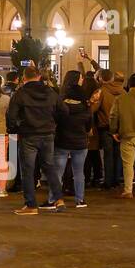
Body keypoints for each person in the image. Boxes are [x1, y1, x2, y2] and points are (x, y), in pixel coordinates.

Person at [6, 64, 64, 214]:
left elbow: (11, 116)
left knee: (28, 171)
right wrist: (54, 122)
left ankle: (31, 205)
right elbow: (64, 110)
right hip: (48, 134)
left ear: (24, 78)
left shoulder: (20, 93)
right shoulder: (50, 92)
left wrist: (15, 130)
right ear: (39, 76)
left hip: (28, 135)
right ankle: (58, 199)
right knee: (49, 167)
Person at [54, 71, 94, 208]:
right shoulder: (85, 106)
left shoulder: (61, 104)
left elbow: (56, 121)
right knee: (79, 172)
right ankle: (80, 199)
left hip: (62, 141)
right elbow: (89, 124)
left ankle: (53, 198)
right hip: (80, 142)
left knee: (58, 172)